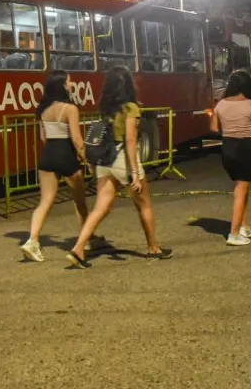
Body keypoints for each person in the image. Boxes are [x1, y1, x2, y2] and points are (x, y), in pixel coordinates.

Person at [66, 66, 171, 268]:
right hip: (123, 160)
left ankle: (79, 248)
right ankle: (153, 249)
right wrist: (135, 172)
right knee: (144, 205)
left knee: (100, 208)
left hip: (105, 162)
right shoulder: (131, 107)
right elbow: (131, 140)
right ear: (129, 85)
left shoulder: (107, 108)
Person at [20, 70, 93, 262]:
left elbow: (43, 137)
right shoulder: (70, 108)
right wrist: (87, 159)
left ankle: (32, 241)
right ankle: (85, 240)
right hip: (65, 154)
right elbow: (77, 139)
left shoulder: (43, 109)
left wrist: (52, 153)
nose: (71, 84)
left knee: (45, 202)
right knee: (79, 202)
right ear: (62, 85)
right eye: (69, 82)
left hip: (48, 155)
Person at [211, 70, 251, 246]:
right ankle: (234, 234)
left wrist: (229, 130)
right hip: (244, 148)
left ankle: (243, 225)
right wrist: (249, 131)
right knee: (241, 189)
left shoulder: (220, 105)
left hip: (227, 148)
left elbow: (213, 128)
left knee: (241, 186)